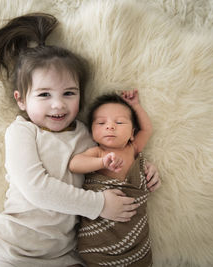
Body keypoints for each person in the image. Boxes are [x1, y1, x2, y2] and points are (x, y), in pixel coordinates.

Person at [0, 13, 160, 267]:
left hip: (64, 255)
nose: (58, 104)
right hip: (15, 251)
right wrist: (98, 205)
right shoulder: (22, 132)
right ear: (21, 99)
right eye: (44, 94)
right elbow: (36, 188)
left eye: (69, 93)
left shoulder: (85, 134)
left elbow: (109, 159)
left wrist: (141, 167)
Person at [69, 90, 160, 266]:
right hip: (102, 232)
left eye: (119, 122)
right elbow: (75, 164)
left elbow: (147, 129)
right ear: (92, 132)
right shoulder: (97, 152)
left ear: (132, 133)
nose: (110, 126)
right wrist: (101, 163)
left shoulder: (133, 148)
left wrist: (135, 106)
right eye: (101, 123)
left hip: (134, 232)